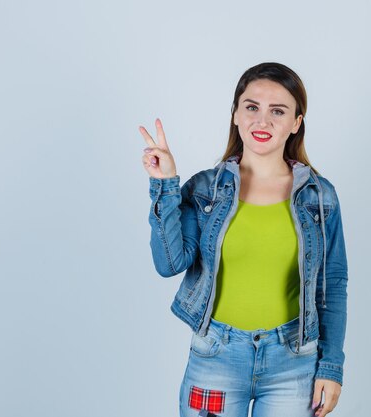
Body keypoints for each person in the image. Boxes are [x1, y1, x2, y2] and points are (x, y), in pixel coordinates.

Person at [139, 62, 348, 417]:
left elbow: (334, 285)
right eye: (252, 107)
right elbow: (169, 264)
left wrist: (331, 368)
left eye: (278, 111)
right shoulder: (206, 190)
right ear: (236, 114)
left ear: (296, 123)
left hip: (293, 363)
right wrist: (166, 183)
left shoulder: (319, 196)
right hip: (216, 357)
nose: (262, 121)